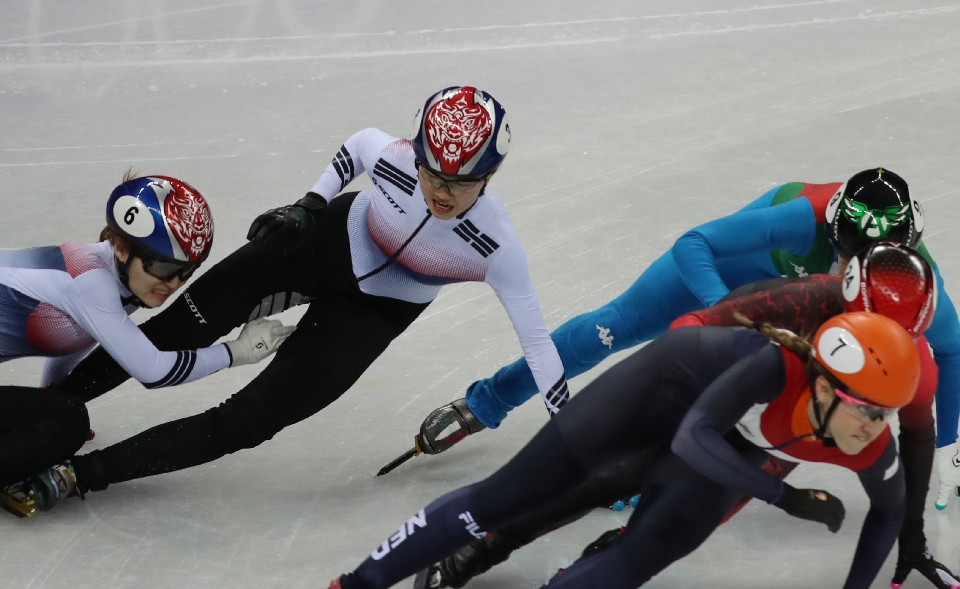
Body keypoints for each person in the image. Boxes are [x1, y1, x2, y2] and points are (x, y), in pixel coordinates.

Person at [42, 86, 568, 498]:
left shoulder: (495, 246)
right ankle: (36, 416)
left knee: (250, 419)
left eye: (459, 183)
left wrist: (577, 438)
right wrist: (310, 203)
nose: (439, 191)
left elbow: (538, 343)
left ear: (492, 173)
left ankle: (75, 476)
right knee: (173, 331)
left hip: (372, 316)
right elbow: (357, 147)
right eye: (431, 173)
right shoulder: (398, 157)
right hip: (321, 242)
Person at [399, 168, 960, 519]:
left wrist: (948, 449)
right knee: (613, 327)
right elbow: (695, 243)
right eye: (841, 251)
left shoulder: (911, 280)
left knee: (762, 391)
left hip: (793, 303)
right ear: (831, 229)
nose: (847, 268)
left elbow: (953, 350)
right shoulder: (806, 216)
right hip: (730, 274)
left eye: (862, 262)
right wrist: (727, 314)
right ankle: (485, 402)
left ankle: (650, 467)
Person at [421, 243, 958, 589]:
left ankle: (588, 574)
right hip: (716, 387)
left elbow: (912, 443)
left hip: (772, 434)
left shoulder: (912, 372)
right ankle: (478, 546)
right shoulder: (800, 300)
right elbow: (695, 328)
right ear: (840, 301)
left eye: (902, 340)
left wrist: (911, 533)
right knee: (607, 474)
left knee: (674, 518)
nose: (881, 353)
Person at [327, 311, 921, 589]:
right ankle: (359, 583)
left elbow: (891, 510)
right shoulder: (774, 367)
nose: (876, 429)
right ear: (822, 386)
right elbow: (692, 434)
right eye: (869, 411)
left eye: (886, 415)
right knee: (506, 496)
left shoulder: (865, 442)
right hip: (658, 396)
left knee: (646, 552)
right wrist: (783, 495)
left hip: (722, 440)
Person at [0, 174, 291, 517]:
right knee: (68, 420)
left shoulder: (120, 280)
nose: (172, 283)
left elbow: (75, 343)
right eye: (163, 266)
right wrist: (236, 352)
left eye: (186, 271)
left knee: (60, 414)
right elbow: (152, 370)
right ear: (122, 246)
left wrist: (51, 399)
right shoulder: (91, 282)